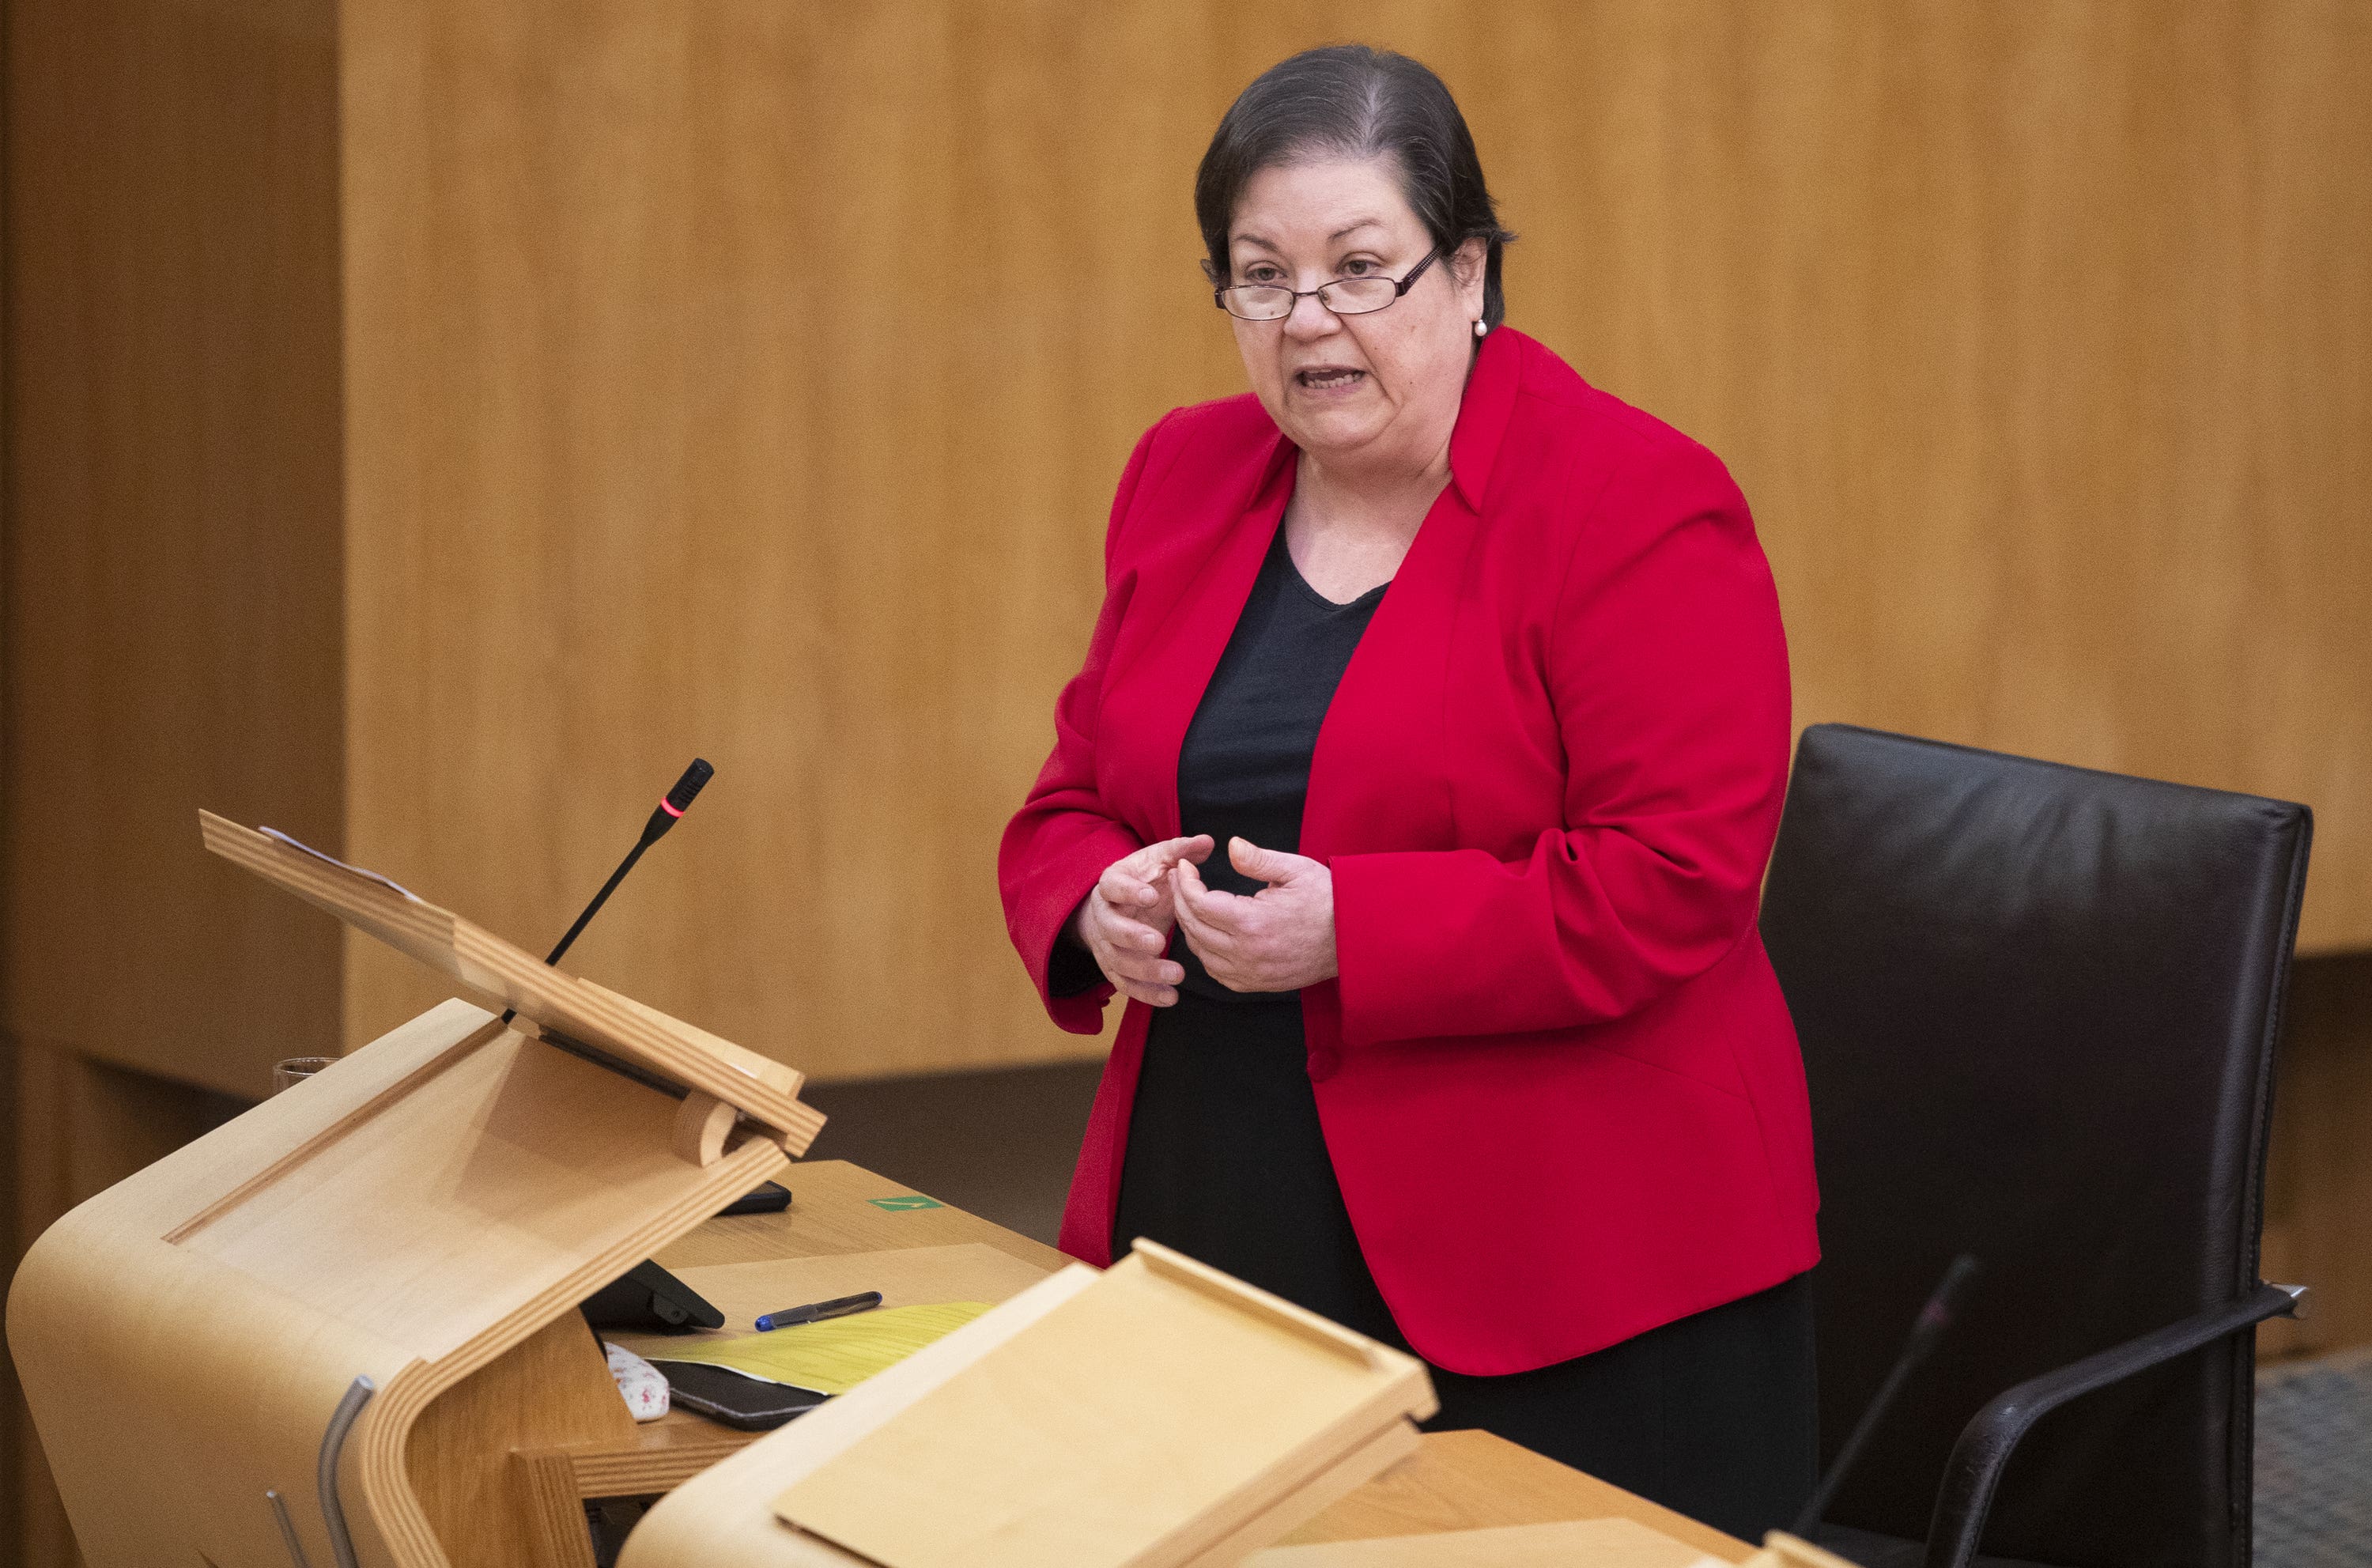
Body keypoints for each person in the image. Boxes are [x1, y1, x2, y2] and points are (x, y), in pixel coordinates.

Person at [997, 44, 1819, 1537]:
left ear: (1470, 270)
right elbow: (1072, 800)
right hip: (1219, 1207)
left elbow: (1675, 877)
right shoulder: (1184, 474)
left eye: (1361, 268)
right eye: (1263, 275)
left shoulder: (1635, 501)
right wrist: (1093, 907)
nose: (1311, 320)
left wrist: (1353, 933)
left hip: (1567, 1261)